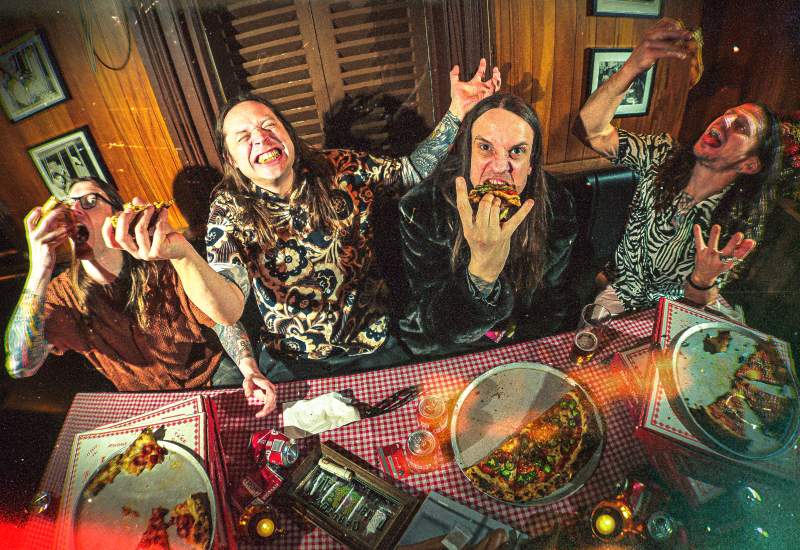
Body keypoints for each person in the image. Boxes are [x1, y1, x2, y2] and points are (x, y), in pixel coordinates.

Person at [4, 177, 276, 417]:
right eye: (68, 204)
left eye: (89, 201)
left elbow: (221, 321)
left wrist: (249, 369)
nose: (74, 210)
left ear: (117, 215)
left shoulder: (161, 262)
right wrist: (40, 268)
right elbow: (20, 366)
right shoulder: (62, 295)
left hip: (210, 378)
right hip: (145, 402)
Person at [574, 18, 783, 313]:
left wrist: (704, 280)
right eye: (727, 113)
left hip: (678, 308)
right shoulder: (662, 153)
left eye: (741, 126)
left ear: (750, 165)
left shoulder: (741, 215)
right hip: (622, 291)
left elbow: (700, 302)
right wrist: (634, 66)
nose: (724, 120)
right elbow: (589, 131)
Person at [398, 93, 578, 356]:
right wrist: (480, 276)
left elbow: (551, 300)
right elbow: (427, 322)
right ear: (468, 153)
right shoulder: (424, 208)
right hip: (452, 346)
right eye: (485, 147)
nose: (500, 166)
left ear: (531, 163)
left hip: (517, 338)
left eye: (517, 151)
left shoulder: (557, 206)